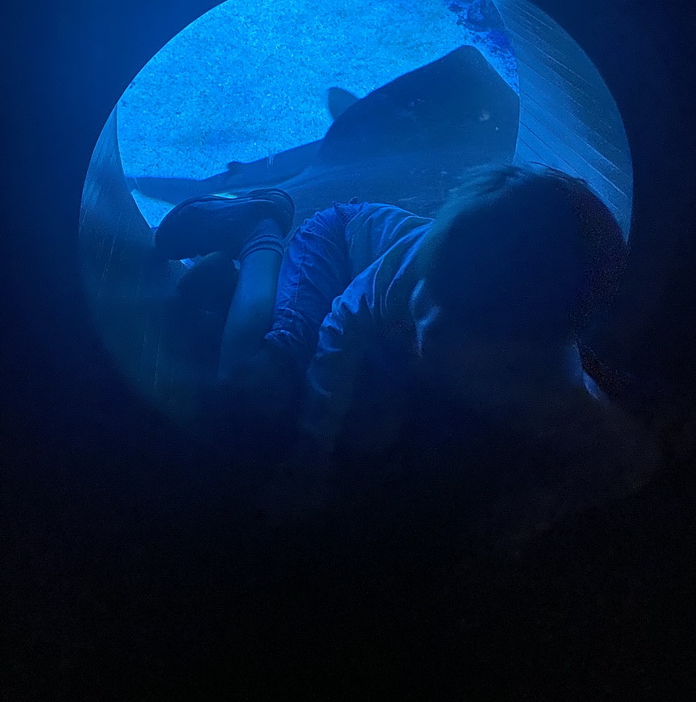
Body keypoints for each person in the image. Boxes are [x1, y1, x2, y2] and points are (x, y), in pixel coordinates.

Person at [154, 164, 659, 534]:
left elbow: (630, 459)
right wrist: (309, 458)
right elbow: (341, 328)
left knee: (374, 433)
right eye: (434, 296)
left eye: (466, 324)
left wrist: (533, 514)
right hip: (339, 248)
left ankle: (234, 292)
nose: (434, 326)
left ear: (528, 342)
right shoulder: (412, 266)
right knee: (249, 390)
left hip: (385, 340)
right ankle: (258, 230)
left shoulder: (552, 379)